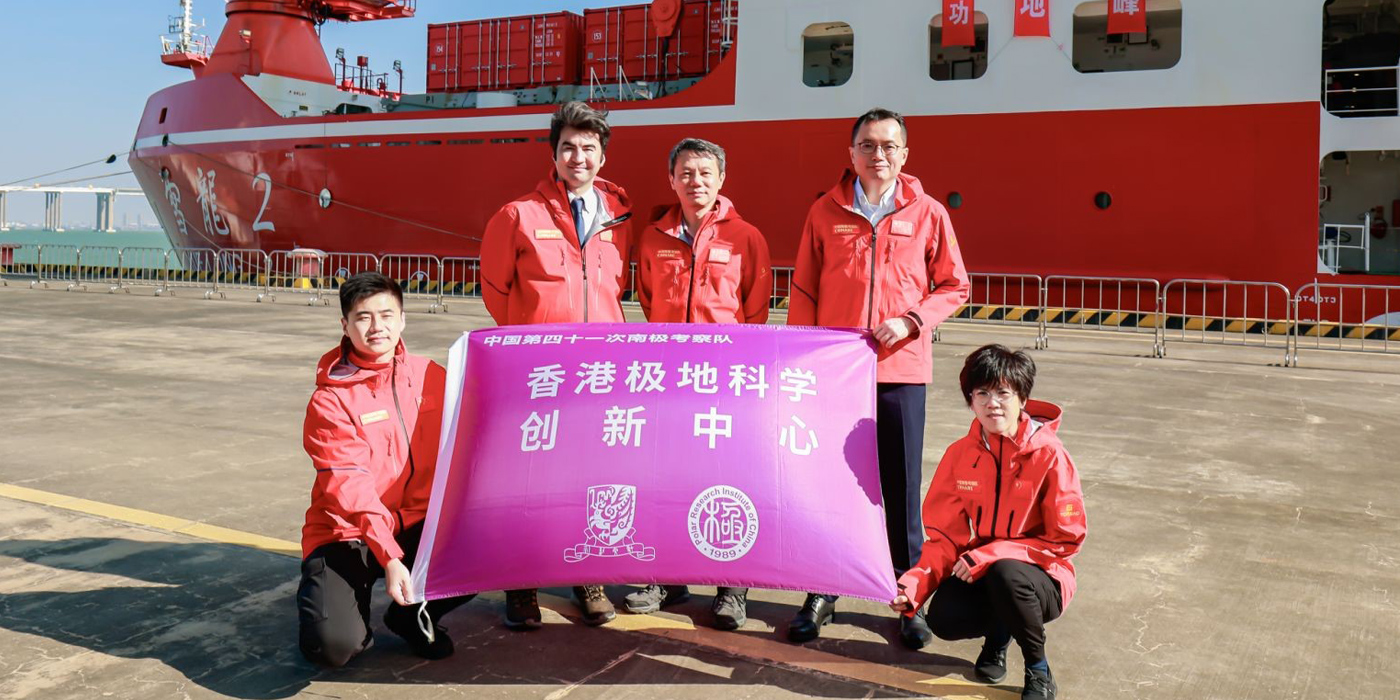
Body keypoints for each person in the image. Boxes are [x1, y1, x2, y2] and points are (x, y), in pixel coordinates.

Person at [786, 107, 971, 647]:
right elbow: (804, 291)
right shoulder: (824, 211)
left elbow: (954, 286)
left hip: (901, 373)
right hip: (837, 375)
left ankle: (907, 595)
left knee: (900, 488)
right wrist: (804, 363)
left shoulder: (930, 213)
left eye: (890, 146)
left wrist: (912, 321)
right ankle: (822, 590)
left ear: (905, 154)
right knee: (832, 487)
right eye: (868, 145)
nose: (878, 154)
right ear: (851, 153)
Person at [480, 100, 631, 628]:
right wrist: (535, 339)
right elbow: (496, 292)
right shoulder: (518, 214)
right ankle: (520, 585)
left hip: (599, 373)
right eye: (568, 146)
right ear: (554, 152)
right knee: (530, 479)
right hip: (540, 374)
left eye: (589, 147)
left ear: (602, 156)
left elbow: (614, 287)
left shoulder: (618, 216)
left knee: (591, 475)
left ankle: (587, 575)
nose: (579, 156)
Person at [624, 137, 772, 629]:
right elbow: (647, 299)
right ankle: (666, 576)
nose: (696, 182)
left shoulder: (748, 236)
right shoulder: (651, 238)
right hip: (669, 378)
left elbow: (755, 310)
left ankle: (734, 585)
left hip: (724, 381)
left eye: (705, 173)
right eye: (686, 173)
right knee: (665, 478)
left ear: (721, 179)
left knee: (731, 479)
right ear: (671, 180)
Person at [297, 271, 473, 667]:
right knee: (334, 647)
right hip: (348, 531)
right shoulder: (330, 402)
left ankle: (412, 617)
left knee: (489, 541)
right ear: (345, 325)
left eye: (387, 315)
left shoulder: (432, 376)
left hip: (417, 522)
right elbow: (350, 486)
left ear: (403, 319)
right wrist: (391, 558)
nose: (377, 327)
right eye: (363, 317)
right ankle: (329, 601)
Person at [891, 345, 1086, 700]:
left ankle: (1038, 669)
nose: (992, 402)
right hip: (984, 570)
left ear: (1022, 398)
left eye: (1003, 393)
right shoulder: (959, 455)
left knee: (1006, 573)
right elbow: (942, 536)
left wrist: (990, 554)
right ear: (970, 400)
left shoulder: (1050, 454)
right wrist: (913, 588)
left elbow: (1066, 539)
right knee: (944, 618)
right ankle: (998, 635)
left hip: (1043, 575)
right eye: (982, 393)